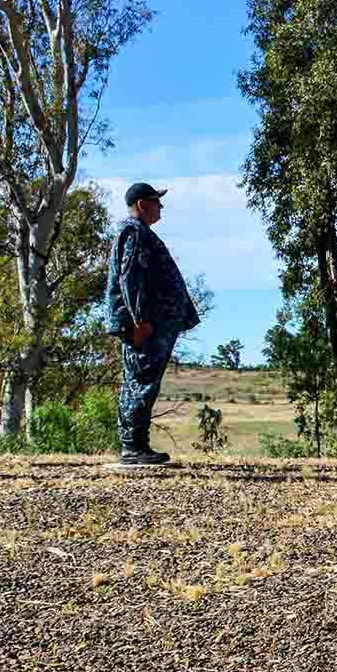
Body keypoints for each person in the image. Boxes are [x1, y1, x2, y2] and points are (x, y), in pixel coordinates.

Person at [105, 182, 199, 466]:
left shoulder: (141, 233)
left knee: (145, 380)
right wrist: (140, 321)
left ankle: (136, 445)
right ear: (143, 204)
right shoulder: (134, 232)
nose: (161, 207)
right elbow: (129, 278)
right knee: (141, 380)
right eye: (157, 202)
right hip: (145, 326)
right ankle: (133, 446)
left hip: (154, 324)